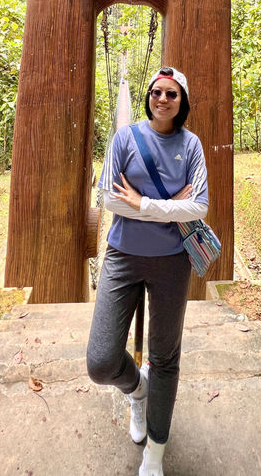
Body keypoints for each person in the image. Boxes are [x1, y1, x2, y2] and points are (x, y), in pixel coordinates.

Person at [86, 66, 209, 476]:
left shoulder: (191, 146)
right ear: (148, 96)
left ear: (182, 101)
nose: (162, 99)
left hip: (173, 261)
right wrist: (168, 204)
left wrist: (142, 204)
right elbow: (108, 198)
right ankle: (137, 389)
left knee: (165, 358)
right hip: (122, 254)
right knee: (101, 361)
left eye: (171, 94)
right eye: (157, 92)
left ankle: (155, 452)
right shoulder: (125, 138)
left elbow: (200, 207)